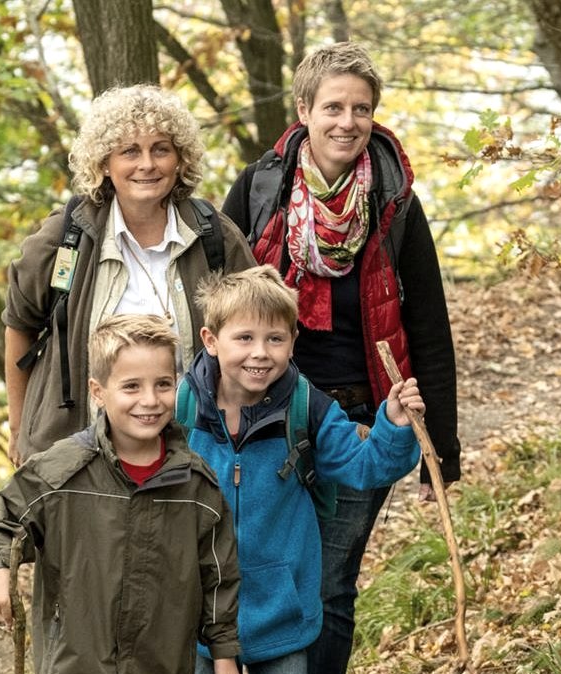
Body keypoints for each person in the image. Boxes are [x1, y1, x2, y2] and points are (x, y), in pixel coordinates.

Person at [220, 42, 461, 672]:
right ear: (304, 110)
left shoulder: (396, 202)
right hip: (268, 418)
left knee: (329, 583)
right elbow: (216, 301)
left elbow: (428, 327)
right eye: (332, 107)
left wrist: (442, 446)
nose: (347, 122)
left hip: (358, 420)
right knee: (262, 571)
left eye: (361, 109)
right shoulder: (259, 188)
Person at [0, 314, 242, 674]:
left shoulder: (197, 487)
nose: (150, 400)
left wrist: (224, 656)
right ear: (98, 391)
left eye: (163, 384)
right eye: (131, 387)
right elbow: (3, 516)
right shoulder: (61, 472)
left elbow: (219, 579)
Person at [182, 265, 423, 674]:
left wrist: (394, 428)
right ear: (211, 340)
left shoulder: (306, 409)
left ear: (293, 341)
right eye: (244, 338)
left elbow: (365, 466)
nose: (261, 352)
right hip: (200, 617)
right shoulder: (184, 407)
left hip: (283, 618)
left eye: (275, 338)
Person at [4, 84, 257, 466]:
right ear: (105, 162)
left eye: (161, 149)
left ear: (180, 158)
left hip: (190, 454)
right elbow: (19, 323)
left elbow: (256, 330)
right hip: (76, 456)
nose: (147, 164)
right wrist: (18, 427)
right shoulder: (67, 235)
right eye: (130, 151)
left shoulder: (213, 236)